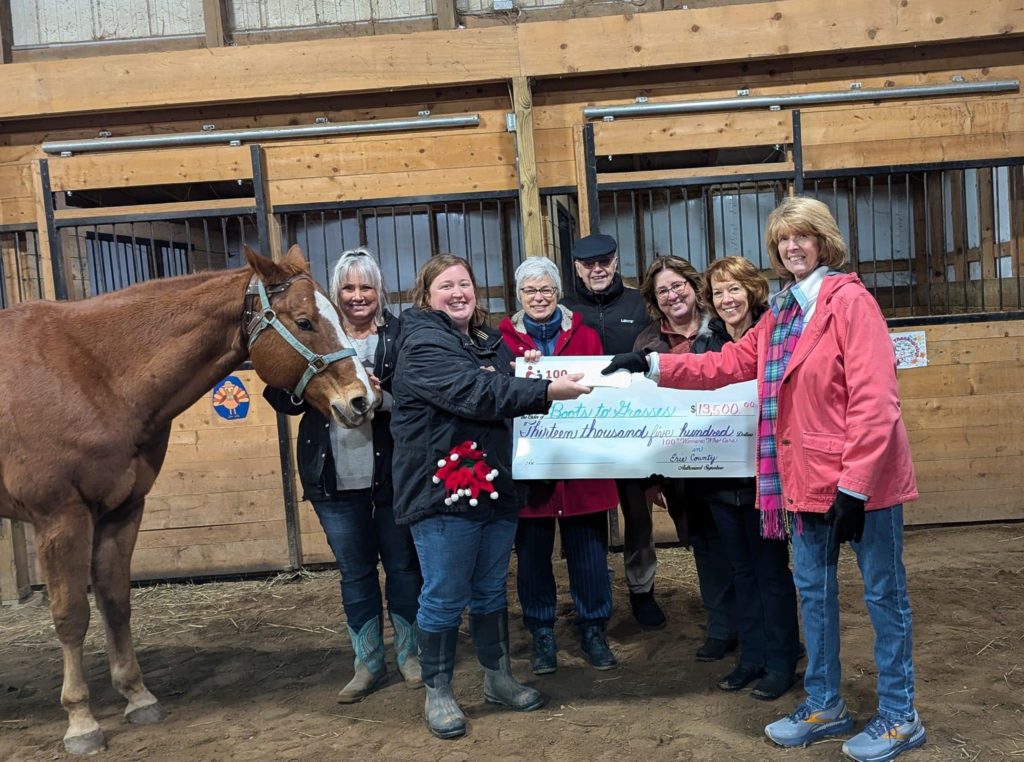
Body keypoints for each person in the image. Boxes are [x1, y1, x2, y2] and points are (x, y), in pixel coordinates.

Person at [603, 197, 923, 762]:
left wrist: (854, 485)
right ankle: (825, 703)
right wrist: (652, 365)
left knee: (882, 595)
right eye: (782, 240)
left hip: (862, 482)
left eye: (802, 237)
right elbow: (725, 364)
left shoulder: (850, 303)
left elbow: (876, 403)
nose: (792, 248)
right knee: (814, 595)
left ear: (824, 242)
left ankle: (900, 714)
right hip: (805, 478)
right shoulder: (781, 313)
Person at [391, 253, 593, 740]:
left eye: (465, 283)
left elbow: (501, 384)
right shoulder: (422, 342)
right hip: (443, 491)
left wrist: (525, 372)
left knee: (487, 589)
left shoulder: (483, 338)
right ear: (426, 296)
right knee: (442, 595)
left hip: (496, 484)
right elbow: (475, 392)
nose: (459, 292)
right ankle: (437, 691)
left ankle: (498, 678)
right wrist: (544, 391)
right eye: (446, 286)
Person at [263, 247, 422, 704]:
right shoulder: (316, 334)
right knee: (355, 572)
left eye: (365, 287)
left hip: (394, 474)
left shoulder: (402, 333)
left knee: (403, 567)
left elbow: (419, 392)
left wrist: (386, 396)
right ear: (336, 293)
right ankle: (367, 661)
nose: (357, 296)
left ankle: (410, 655)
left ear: (380, 290)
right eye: (348, 288)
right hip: (331, 474)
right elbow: (284, 396)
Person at [498, 257, 619, 674]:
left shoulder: (585, 336)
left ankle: (593, 628)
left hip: (581, 463)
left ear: (557, 292)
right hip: (530, 468)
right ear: (519, 296)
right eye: (530, 291)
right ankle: (541, 632)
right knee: (532, 555)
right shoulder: (503, 341)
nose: (538, 298)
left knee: (588, 551)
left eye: (546, 289)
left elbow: (603, 390)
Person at [618, 256, 738, 662]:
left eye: (678, 285)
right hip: (682, 470)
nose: (672, 295)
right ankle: (722, 629)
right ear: (654, 300)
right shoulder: (646, 343)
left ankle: (761, 630)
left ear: (693, 285)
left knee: (747, 549)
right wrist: (652, 476)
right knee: (704, 548)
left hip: (733, 460)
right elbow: (644, 414)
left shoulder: (723, 328)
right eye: (662, 291)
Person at [692, 256, 801, 701]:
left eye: (734, 289)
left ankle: (782, 660)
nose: (727, 299)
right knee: (740, 571)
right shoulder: (706, 343)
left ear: (752, 291)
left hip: (765, 479)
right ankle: (751, 657)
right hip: (720, 480)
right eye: (718, 292)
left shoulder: (774, 333)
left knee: (771, 571)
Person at [561, 233, 663, 630]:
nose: (598, 269)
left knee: (637, 515)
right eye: (589, 264)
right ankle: (592, 594)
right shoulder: (565, 310)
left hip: (633, 430)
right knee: (587, 519)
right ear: (577, 268)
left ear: (617, 262)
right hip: (581, 434)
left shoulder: (640, 304)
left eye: (605, 261)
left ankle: (643, 591)